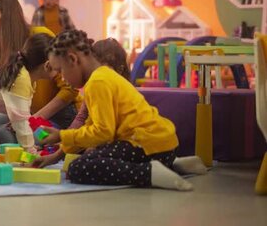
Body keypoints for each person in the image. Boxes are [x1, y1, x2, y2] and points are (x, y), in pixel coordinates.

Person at [38, 29, 194, 191]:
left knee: (79, 167)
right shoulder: (103, 76)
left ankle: (150, 173)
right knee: (92, 155)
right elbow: (89, 126)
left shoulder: (98, 82)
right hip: (163, 147)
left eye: (61, 70)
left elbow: (103, 132)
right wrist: (56, 156)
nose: (62, 78)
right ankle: (173, 164)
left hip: (147, 145)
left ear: (72, 59)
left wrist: (61, 135)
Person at [0, 0, 79, 144]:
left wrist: (33, 119)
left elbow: (70, 89)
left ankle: (57, 141)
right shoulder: (0, 47)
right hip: (26, 113)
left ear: (7, 15)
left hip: (60, 116)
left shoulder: (40, 36)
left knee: (5, 135)